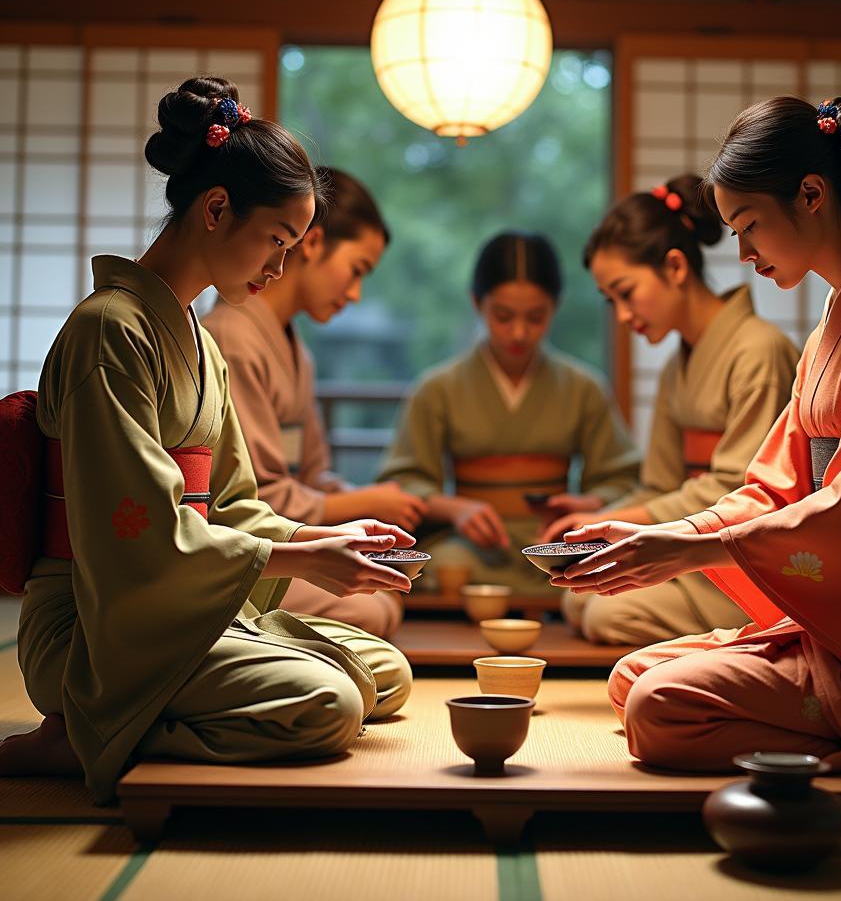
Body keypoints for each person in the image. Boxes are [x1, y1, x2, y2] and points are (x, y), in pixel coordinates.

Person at [554, 96, 841, 828]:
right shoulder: (836, 327)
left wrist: (682, 545)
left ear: (811, 194)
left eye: (748, 226)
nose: (742, 252)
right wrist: (660, 541)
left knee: (660, 708)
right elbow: (769, 488)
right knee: (633, 676)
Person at [0, 77, 414, 804]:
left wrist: (325, 540)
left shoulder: (199, 341)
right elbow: (137, 537)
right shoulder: (110, 331)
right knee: (331, 705)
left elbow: (234, 508)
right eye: (277, 241)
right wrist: (306, 556)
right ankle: (87, 731)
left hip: (177, 608)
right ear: (217, 209)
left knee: (383, 672)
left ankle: (117, 723)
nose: (280, 267)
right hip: (99, 623)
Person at [550, 175, 799, 645]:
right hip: (691, 544)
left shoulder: (759, 352)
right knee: (580, 596)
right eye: (611, 301)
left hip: (741, 555)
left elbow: (738, 491)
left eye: (626, 292)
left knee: (606, 613)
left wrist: (614, 522)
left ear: (675, 266)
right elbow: (659, 487)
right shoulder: (675, 368)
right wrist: (598, 523)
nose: (622, 315)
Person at [203, 166, 425, 639]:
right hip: (248, 545)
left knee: (383, 595)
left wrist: (359, 507)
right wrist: (360, 500)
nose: (355, 293)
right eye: (357, 270)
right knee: (374, 609)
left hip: (287, 533)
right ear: (315, 242)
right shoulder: (234, 336)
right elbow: (253, 497)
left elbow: (311, 474)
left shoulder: (296, 350)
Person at [379, 230, 640, 594]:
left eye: (535, 317)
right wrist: (456, 509)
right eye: (503, 316)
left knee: (595, 579)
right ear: (477, 304)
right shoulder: (437, 388)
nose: (518, 333)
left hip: (555, 546)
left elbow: (625, 479)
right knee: (445, 567)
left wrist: (590, 503)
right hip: (474, 548)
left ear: (555, 307)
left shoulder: (584, 388)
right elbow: (402, 482)